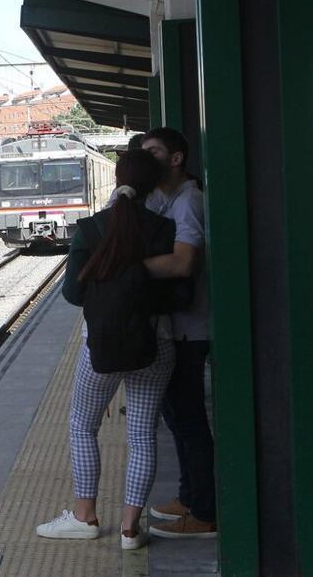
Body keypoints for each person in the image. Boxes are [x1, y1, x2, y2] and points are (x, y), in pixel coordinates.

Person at [37, 149, 178, 550]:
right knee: (142, 434)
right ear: (154, 185)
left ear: (117, 179)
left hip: (101, 347)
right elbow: (179, 294)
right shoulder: (164, 228)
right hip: (156, 343)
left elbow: (72, 293)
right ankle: (130, 530)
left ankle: (85, 517)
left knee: (83, 425)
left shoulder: (92, 228)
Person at [140, 127, 217, 539]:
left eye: (153, 152)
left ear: (176, 158)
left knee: (188, 420)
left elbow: (184, 262)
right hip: (176, 325)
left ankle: (205, 512)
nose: (146, 159)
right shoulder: (162, 197)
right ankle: (189, 497)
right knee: (176, 415)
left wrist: (129, 271)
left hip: (191, 327)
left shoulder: (188, 201)